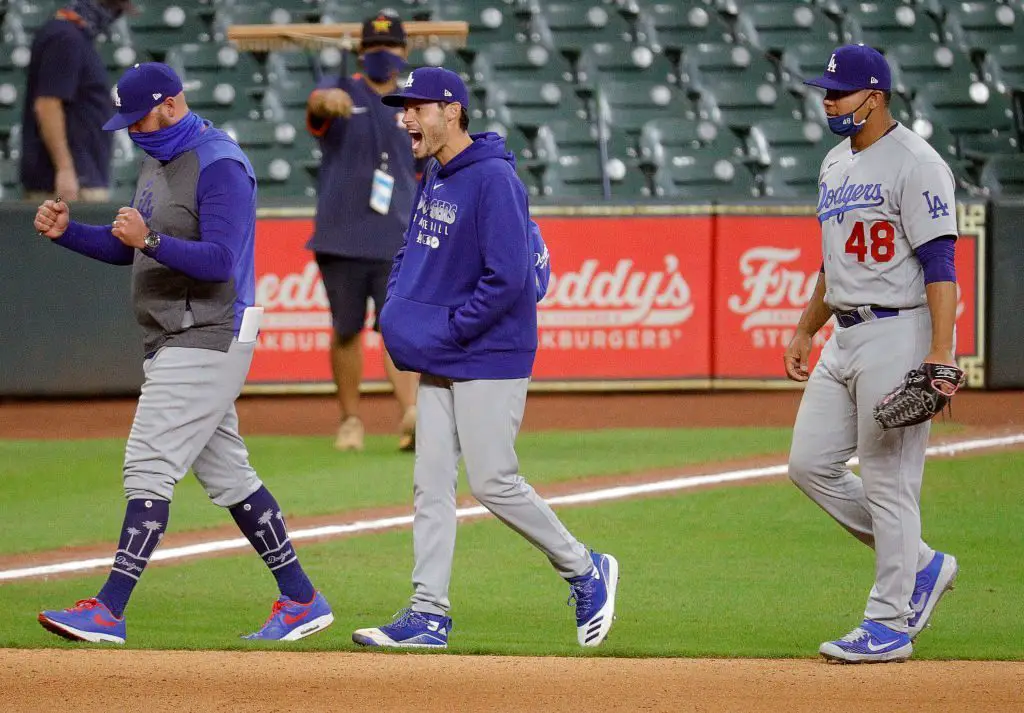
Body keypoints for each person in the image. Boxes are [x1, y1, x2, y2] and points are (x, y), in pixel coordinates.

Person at [33, 63, 333, 644]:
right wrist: (69, 232)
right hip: (176, 331)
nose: (132, 130)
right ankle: (301, 598)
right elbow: (134, 252)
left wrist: (147, 237)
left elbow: (221, 259)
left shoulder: (220, 164)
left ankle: (109, 609)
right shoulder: (158, 158)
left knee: (148, 463)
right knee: (229, 476)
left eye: (138, 117)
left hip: (208, 329)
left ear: (170, 104)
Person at [350, 67, 618, 649]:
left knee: (494, 481)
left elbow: (510, 279)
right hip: (445, 353)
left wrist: (451, 330)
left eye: (416, 107)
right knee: (430, 484)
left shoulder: (493, 180)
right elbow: (410, 249)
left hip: (490, 352)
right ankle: (427, 614)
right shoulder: (436, 173)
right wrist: (399, 300)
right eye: (404, 108)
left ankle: (584, 568)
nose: (405, 117)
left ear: (452, 111)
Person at [784, 45, 960, 664]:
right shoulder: (834, 162)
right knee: (809, 464)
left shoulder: (916, 162)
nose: (827, 101)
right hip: (846, 332)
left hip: (899, 329)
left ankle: (888, 624)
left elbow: (940, 264)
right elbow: (833, 264)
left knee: (888, 481)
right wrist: (807, 329)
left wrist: (940, 357)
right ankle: (919, 563)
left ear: (876, 96)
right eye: (825, 92)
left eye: (838, 92)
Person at [305, 10, 419, 452]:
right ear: (360, 52)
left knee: (399, 328)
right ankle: (350, 420)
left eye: (389, 47)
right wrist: (321, 101)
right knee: (347, 329)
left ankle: (410, 414)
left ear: (404, 52)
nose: (381, 54)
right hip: (342, 233)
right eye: (373, 47)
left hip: (398, 234)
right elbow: (318, 107)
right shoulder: (341, 91)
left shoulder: (414, 102)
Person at [21, 0, 130, 202]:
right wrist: (64, 170)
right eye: (114, 6)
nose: (114, 15)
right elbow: (48, 105)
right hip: (68, 186)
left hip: (82, 179)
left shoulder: (76, 38)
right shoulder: (64, 37)